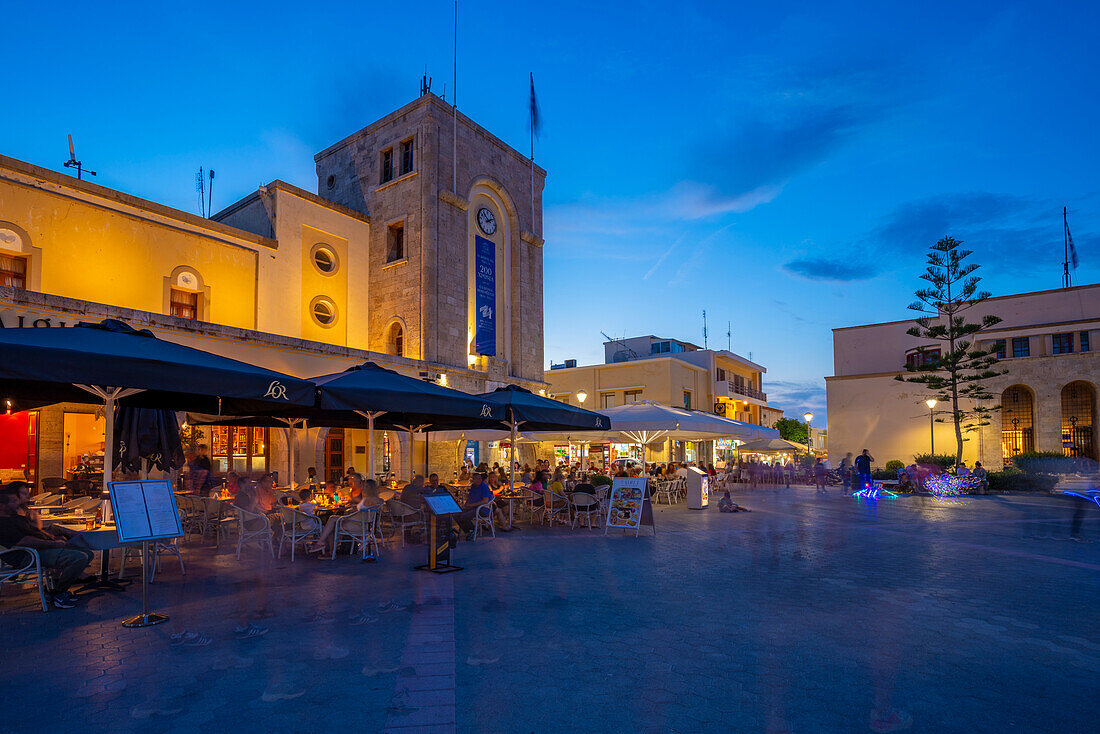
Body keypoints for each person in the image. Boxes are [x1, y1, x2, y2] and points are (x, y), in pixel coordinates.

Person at [0, 482, 92, 609]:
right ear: (3, 505)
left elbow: (33, 532)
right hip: (26, 555)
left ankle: (56, 589)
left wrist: (52, 537)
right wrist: (53, 543)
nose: (17, 503)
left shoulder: (14, 517)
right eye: (13, 501)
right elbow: (24, 540)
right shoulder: (4, 522)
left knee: (88, 554)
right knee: (79, 557)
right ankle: (58, 594)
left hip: (35, 550)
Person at [453, 472, 495, 540]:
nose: (478, 480)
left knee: (464, 516)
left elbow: (485, 501)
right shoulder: (473, 486)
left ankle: (472, 530)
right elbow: (470, 498)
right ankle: (469, 531)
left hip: (482, 509)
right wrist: (466, 505)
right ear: (473, 479)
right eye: (476, 479)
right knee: (455, 514)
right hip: (472, 507)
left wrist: (471, 505)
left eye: (480, 478)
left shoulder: (484, 486)